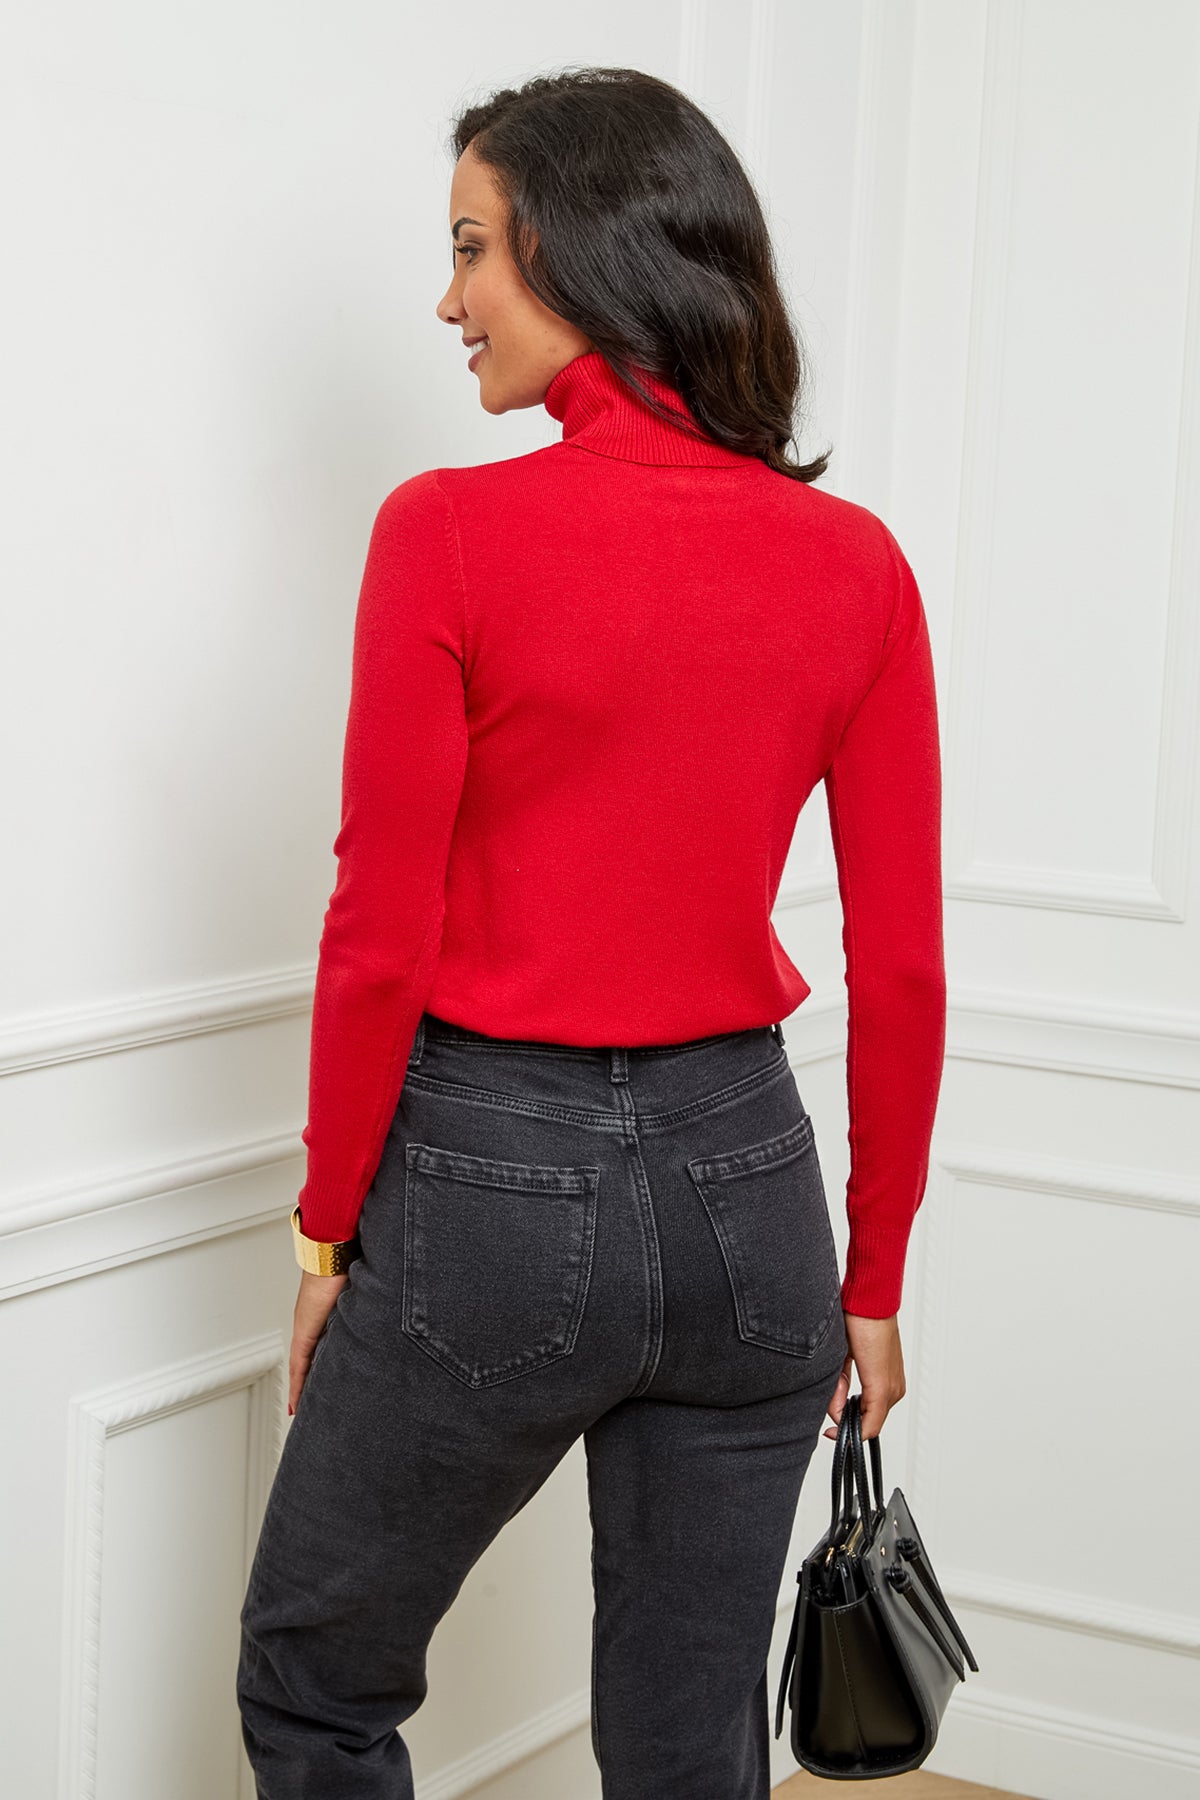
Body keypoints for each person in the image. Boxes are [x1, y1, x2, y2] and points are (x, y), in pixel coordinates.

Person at [237, 64, 946, 1800]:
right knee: (691, 1745)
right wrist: (870, 1281)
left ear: (572, 246)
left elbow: (379, 930)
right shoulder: (856, 564)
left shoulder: (449, 533)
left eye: (471, 247)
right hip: (751, 1202)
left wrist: (327, 1240)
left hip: (491, 1185)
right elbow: (904, 966)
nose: (449, 299)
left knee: (315, 1685)